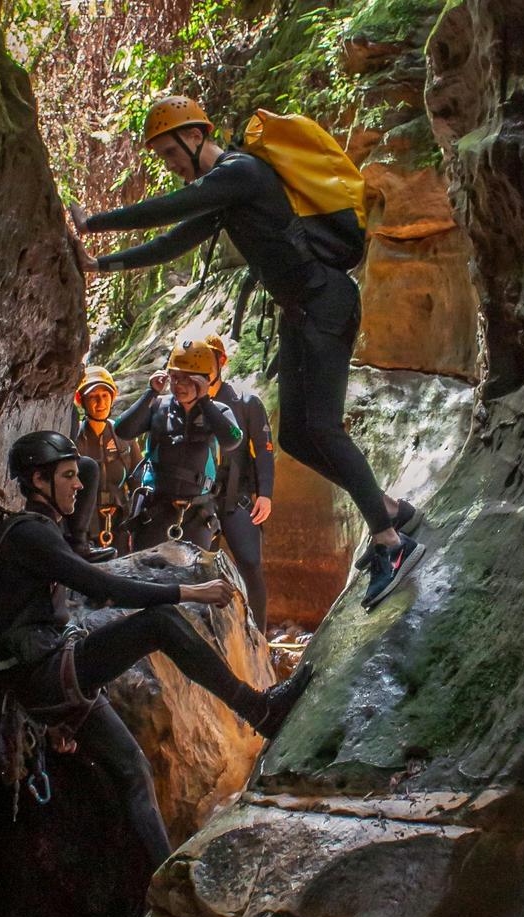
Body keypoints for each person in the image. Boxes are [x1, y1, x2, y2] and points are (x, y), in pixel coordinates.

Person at [69, 95, 425, 611]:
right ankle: (389, 508)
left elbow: (172, 208)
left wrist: (95, 221)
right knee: (298, 437)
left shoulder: (242, 173)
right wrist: (103, 265)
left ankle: (391, 542)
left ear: (195, 137)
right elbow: (174, 239)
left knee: (323, 427)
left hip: (325, 302)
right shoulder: (227, 196)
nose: (170, 167)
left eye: (170, 153)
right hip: (302, 311)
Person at [0, 430, 313, 870]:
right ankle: (257, 709)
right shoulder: (31, 535)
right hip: (49, 674)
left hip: (49, 675)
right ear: (38, 481)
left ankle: (161, 882)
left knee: (132, 770)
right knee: (159, 624)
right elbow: (103, 588)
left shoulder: (42, 531)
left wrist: (53, 714)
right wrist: (189, 592)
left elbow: (88, 478)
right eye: (67, 476)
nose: (79, 484)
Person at [115, 338, 241, 551]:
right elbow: (123, 430)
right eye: (174, 378)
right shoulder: (157, 406)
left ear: (203, 381)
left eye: (187, 379)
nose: (178, 385)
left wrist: (204, 401)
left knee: (192, 577)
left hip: (197, 514)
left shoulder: (218, 411)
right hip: (154, 509)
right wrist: (151, 392)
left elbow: (232, 440)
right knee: (145, 575)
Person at [203, 333, 274, 632]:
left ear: (221, 361)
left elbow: (264, 453)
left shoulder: (246, 403)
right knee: (199, 569)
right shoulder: (186, 403)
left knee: (250, 565)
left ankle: (258, 637)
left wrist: (266, 495)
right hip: (200, 503)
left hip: (237, 498)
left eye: (208, 359)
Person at [73, 365, 143, 554]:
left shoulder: (124, 436)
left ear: (113, 397)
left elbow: (138, 480)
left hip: (119, 521)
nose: (100, 402)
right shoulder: (74, 439)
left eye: (105, 395)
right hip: (84, 524)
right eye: (93, 397)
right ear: (82, 401)